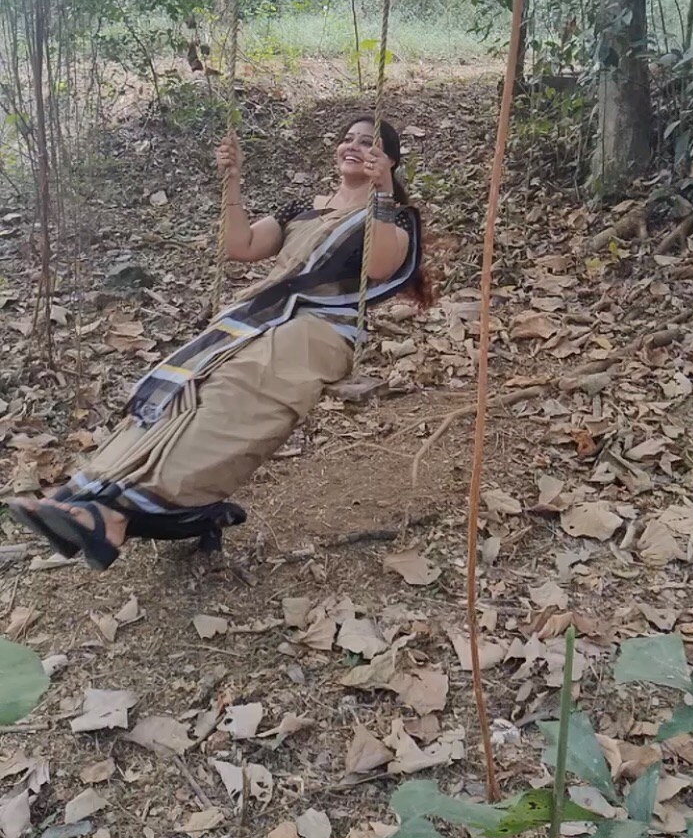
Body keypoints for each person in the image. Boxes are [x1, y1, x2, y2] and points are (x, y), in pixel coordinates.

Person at [6, 116, 425, 570]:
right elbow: (241, 246)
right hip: (257, 321)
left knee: (232, 393)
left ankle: (122, 510)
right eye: (347, 138)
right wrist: (233, 180)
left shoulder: (393, 217)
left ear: (389, 160)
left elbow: (379, 266)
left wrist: (382, 193)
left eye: (368, 143)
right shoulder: (303, 208)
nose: (354, 146)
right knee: (178, 391)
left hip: (318, 331)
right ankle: (88, 492)